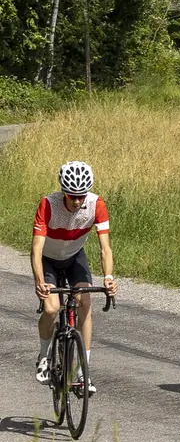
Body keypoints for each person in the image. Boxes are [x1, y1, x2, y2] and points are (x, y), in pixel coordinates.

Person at [32, 160, 116, 391]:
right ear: (63, 192)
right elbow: (37, 249)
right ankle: (44, 357)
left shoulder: (96, 204)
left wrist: (108, 277)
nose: (77, 201)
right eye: (72, 196)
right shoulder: (48, 205)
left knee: (85, 304)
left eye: (81, 196)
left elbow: (105, 248)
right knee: (51, 308)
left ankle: (83, 370)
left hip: (74, 257)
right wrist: (40, 281)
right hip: (48, 259)